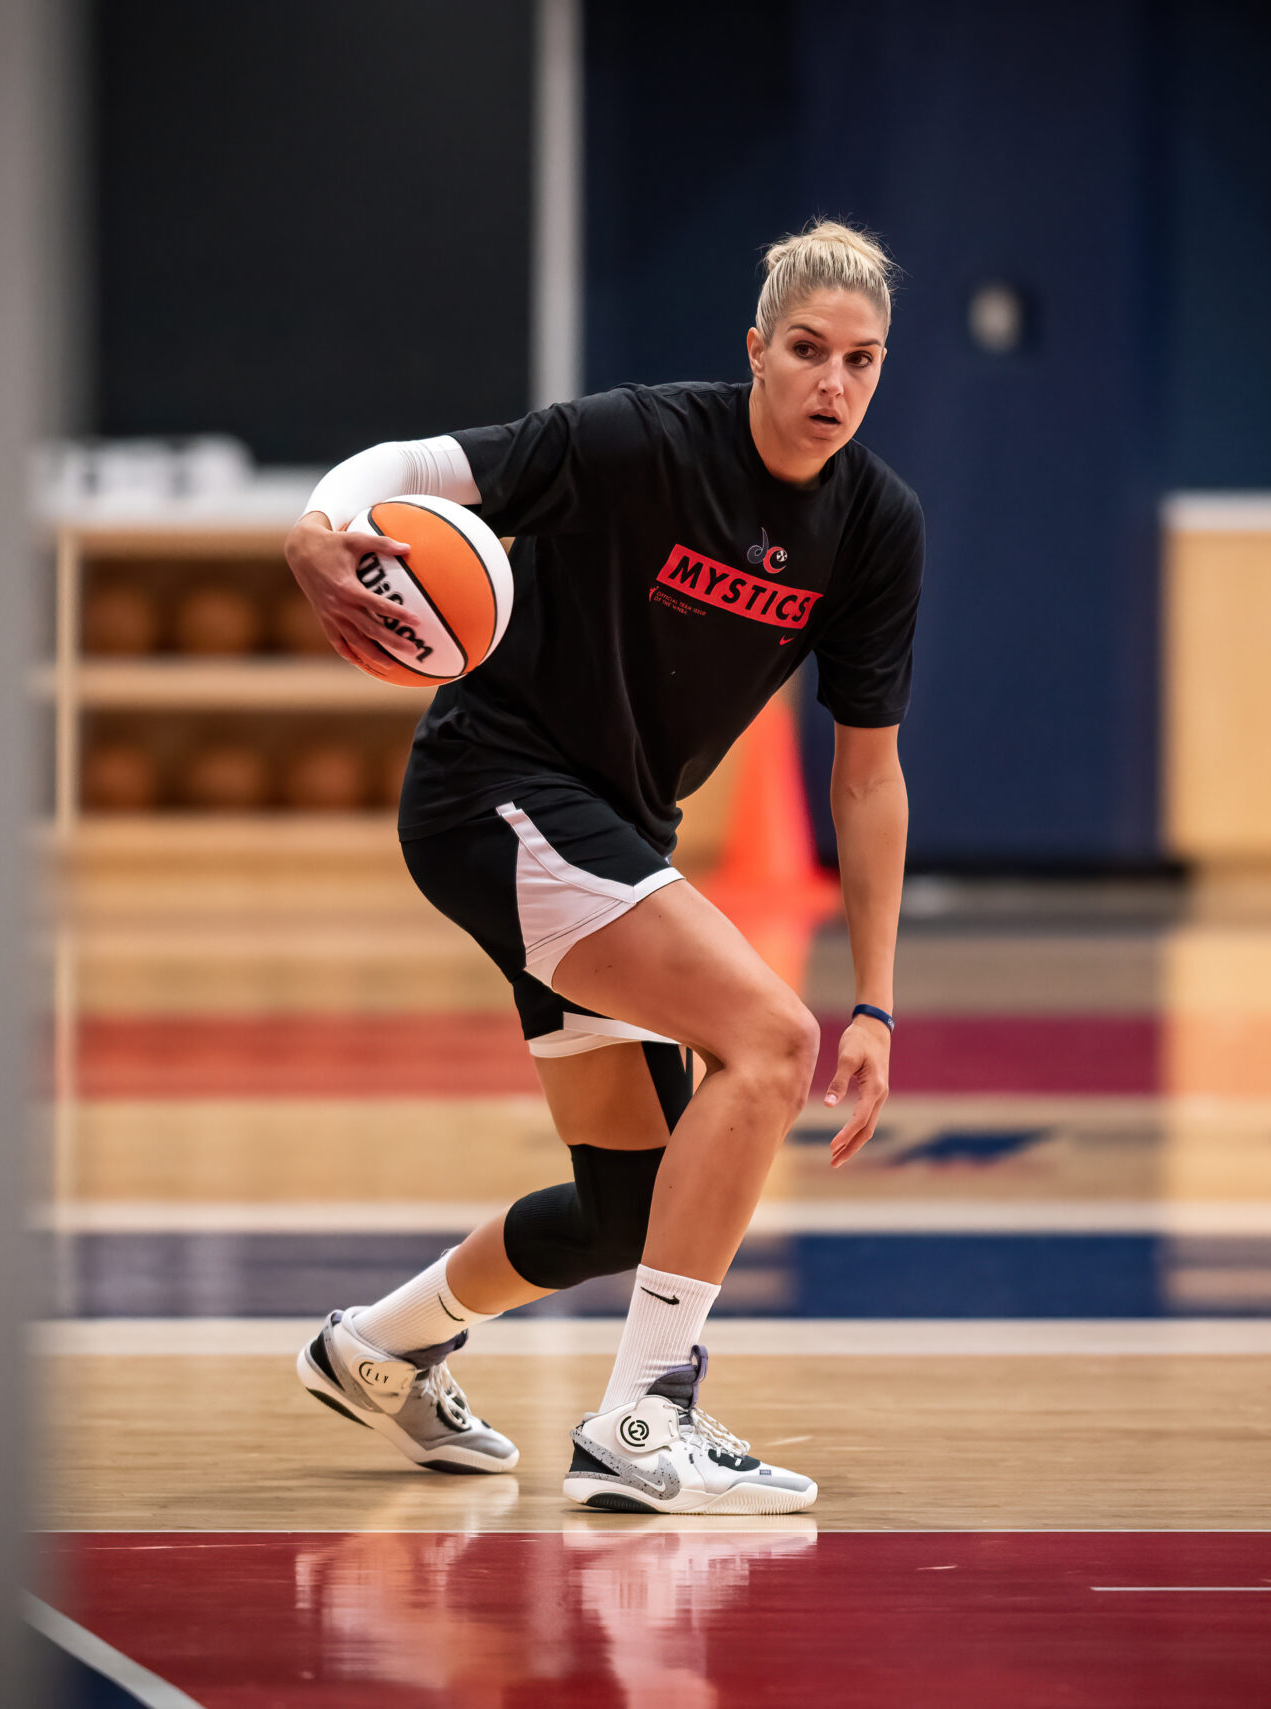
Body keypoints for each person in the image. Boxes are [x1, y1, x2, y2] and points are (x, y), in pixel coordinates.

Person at [284, 220, 921, 1515]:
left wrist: (882, 1000)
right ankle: (648, 1412)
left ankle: (379, 1347)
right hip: (495, 789)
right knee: (766, 1042)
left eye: (861, 360)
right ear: (757, 349)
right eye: (806, 350)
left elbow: (865, 776)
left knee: (625, 1210)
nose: (831, 384)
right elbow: (415, 465)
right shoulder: (633, 441)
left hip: (612, 829)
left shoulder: (872, 529)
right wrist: (320, 525)